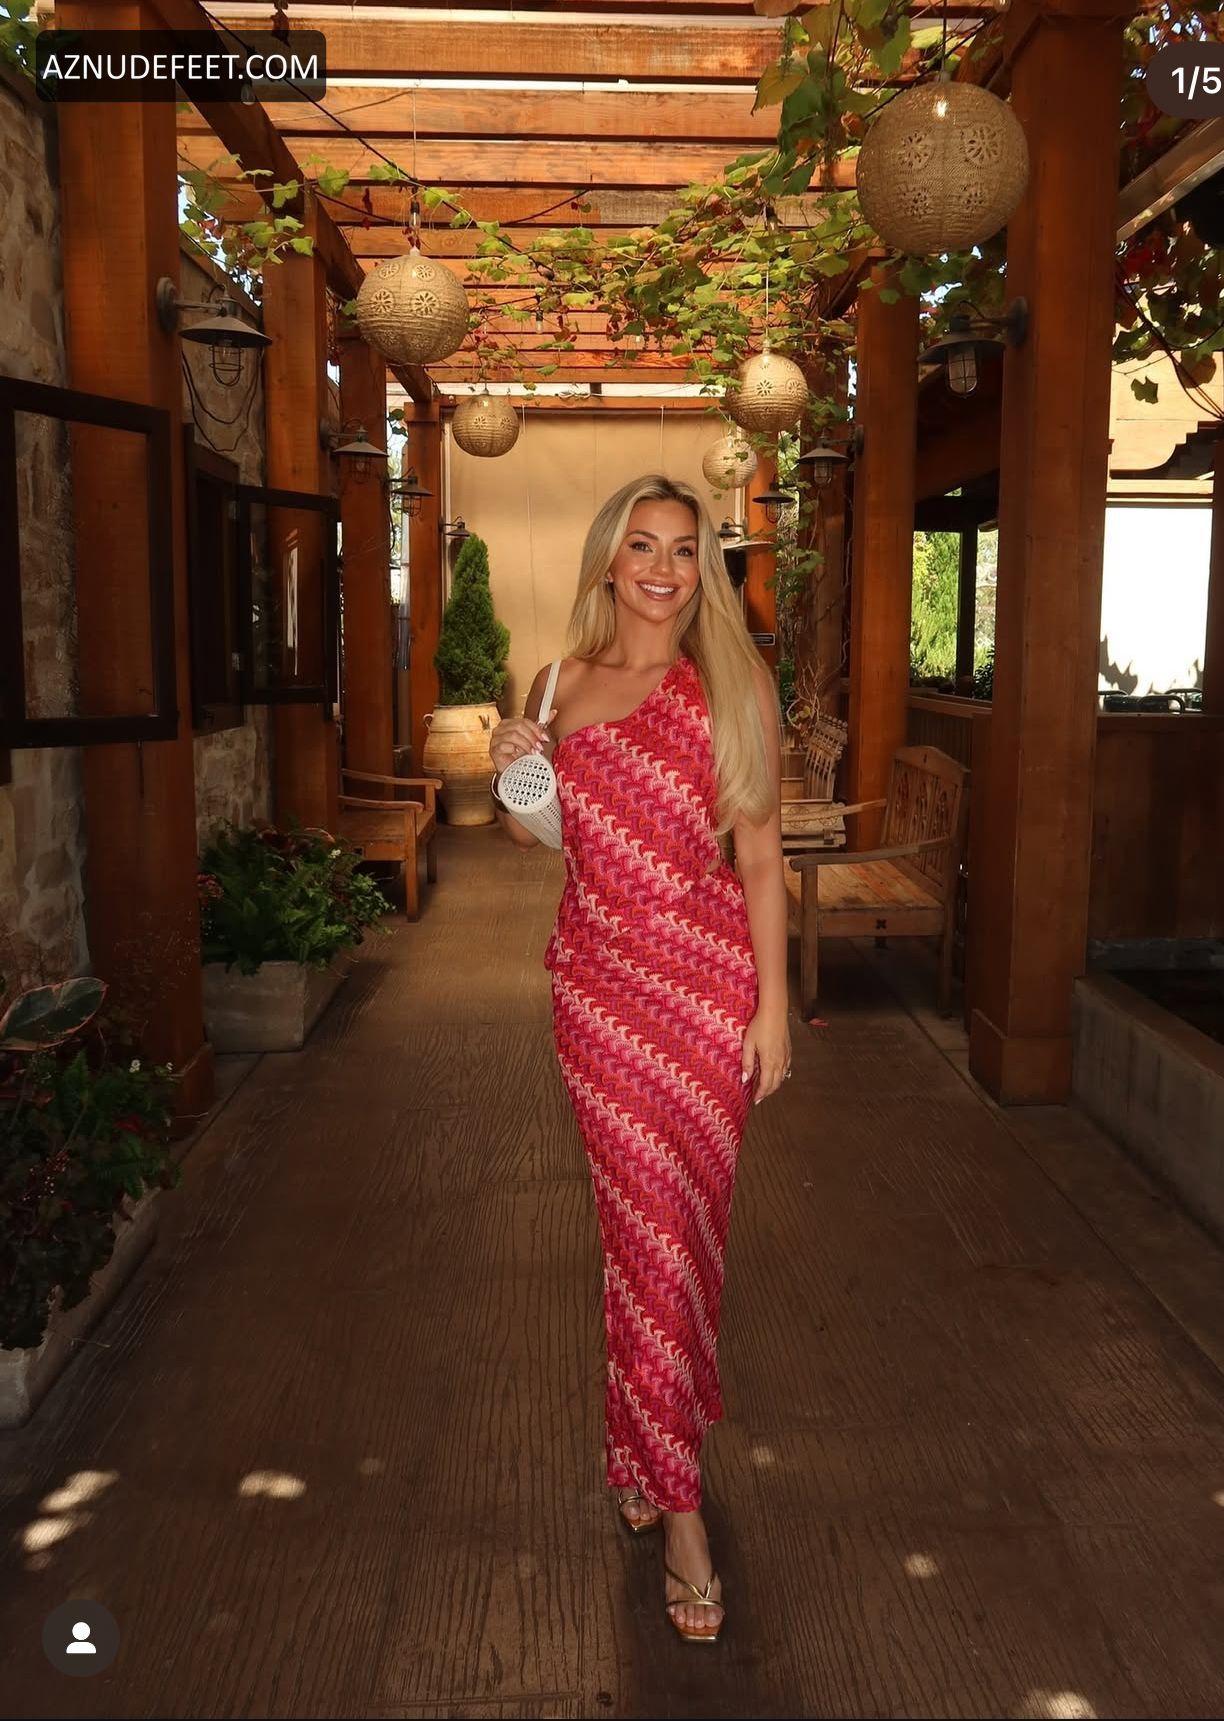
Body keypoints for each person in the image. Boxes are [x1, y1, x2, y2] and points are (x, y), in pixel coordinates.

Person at [488, 473, 791, 1644]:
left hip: (709, 994)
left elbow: (758, 856)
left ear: (701, 566)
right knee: (644, 1235)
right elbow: (534, 831)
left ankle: (638, 1446)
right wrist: (516, 757)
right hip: (601, 1001)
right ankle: (681, 1514)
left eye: (683, 548)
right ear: (609, 560)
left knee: (679, 1244)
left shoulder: (733, 682)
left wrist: (773, 1010)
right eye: (643, 545)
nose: (663, 567)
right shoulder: (558, 682)